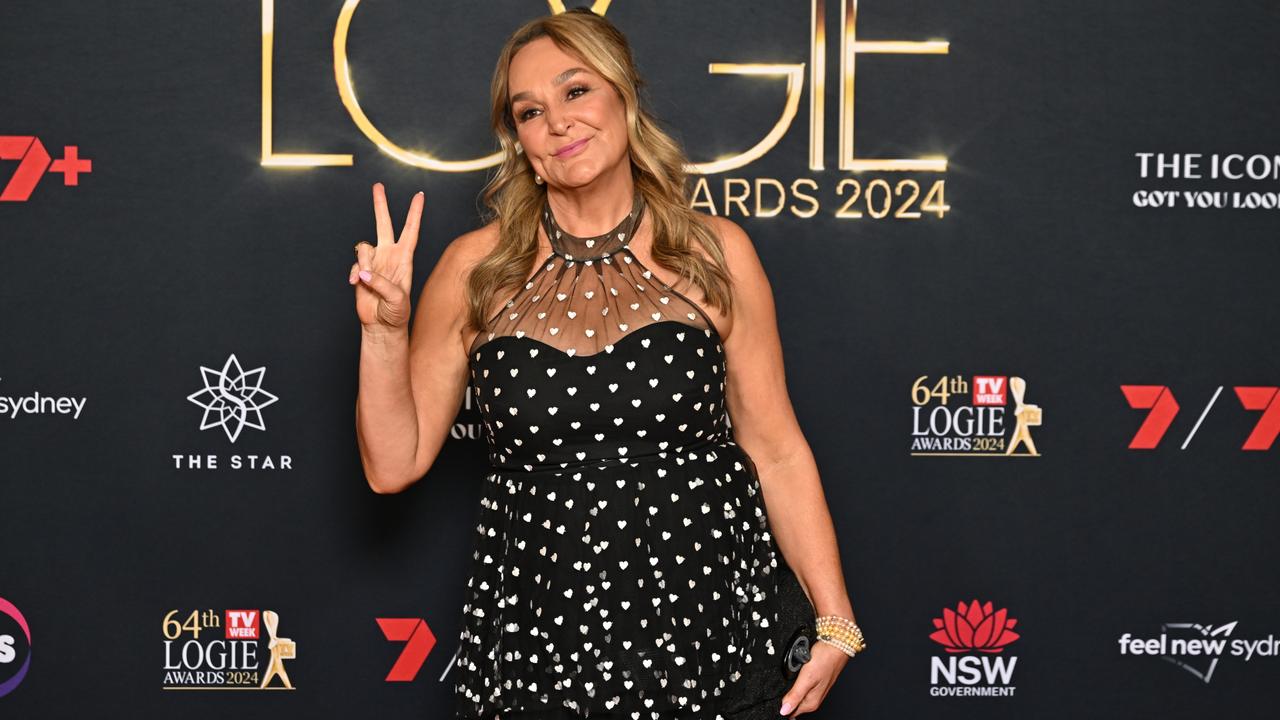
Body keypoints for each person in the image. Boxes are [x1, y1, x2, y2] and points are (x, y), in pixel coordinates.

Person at [348, 8, 862, 719]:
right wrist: (385, 332)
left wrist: (834, 620)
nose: (557, 122)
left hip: (711, 637)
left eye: (576, 91)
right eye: (531, 111)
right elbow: (392, 464)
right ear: (520, 141)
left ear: (624, 97)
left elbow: (775, 450)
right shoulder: (477, 269)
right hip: (538, 646)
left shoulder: (716, 253)